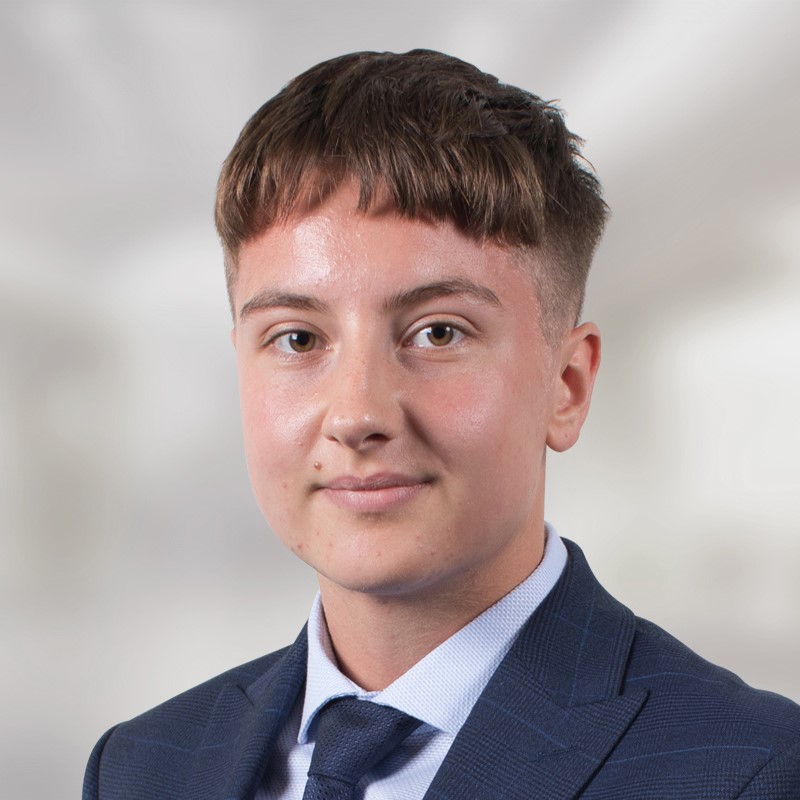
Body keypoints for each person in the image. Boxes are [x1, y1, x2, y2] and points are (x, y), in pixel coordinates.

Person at [83, 49, 800, 799]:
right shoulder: (141, 766)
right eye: (298, 338)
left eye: (438, 333)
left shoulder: (748, 772)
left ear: (567, 384)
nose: (359, 414)